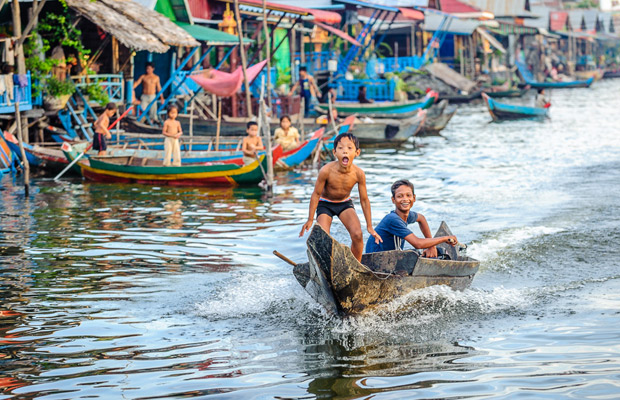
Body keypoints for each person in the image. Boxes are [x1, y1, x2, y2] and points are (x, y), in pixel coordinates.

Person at [299, 133, 382, 262]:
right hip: (325, 204)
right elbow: (316, 194)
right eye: (341, 148)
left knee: (357, 235)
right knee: (323, 238)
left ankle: (355, 266)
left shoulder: (358, 174)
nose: (345, 151)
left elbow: (364, 200)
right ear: (334, 152)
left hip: (344, 204)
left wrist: (369, 226)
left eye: (349, 148)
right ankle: (323, 266)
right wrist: (310, 219)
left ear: (357, 152)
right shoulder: (326, 170)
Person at [365, 179, 457, 257]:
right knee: (417, 253)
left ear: (414, 198)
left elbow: (421, 218)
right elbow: (417, 243)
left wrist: (431, 247)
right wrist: (445, 238)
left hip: (391, 258)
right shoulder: (392, 219)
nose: (405, 199)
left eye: (408, 195)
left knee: (438, 251)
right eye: (400, 196)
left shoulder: (407, 215)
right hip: (377, 260)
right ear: (393, 200)